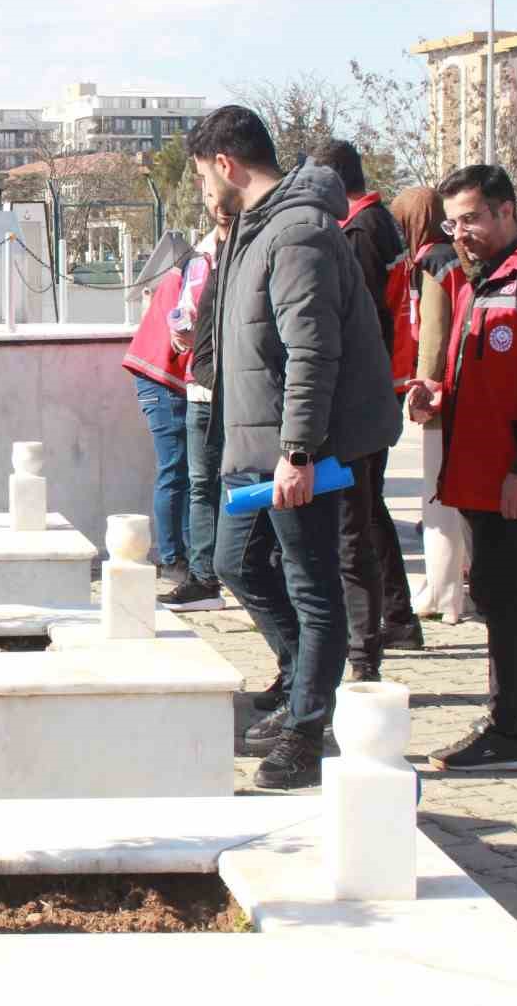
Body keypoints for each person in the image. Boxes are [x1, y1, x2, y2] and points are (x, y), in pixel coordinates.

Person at [190, 106, 400, 789]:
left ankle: (307, 734)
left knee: (313, 587)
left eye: (202, 176)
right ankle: (302, 679)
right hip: (253, 442)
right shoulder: (254, 228)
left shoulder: (298, 230)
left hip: (300, 448)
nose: (203, 191)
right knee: (235, 561)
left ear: (226, 164)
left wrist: (300, 451)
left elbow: (312, 351)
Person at [406, 164, 517, 770]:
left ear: (506, 211)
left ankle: (505, 731)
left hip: (510, 472)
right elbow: (478, 372)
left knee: (497, 589)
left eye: (471, 220)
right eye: (452, 224)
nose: (460, 234)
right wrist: (435, 394)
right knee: (501, 586)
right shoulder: (477, 279)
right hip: (476, 470)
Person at [310, 139, 423, 680]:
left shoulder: (358, 232)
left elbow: (357, 320)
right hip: (381, 385)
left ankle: (373, 640)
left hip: (365, 393)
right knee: (370, 513)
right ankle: (397, 618)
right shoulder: (379, 222)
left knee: (356, 524)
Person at [390, 187, 470, 625]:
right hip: (465, 388)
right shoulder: (456, 255)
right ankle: (460, 585)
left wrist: (421, 391)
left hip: (442, 394)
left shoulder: (432, 262)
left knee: (438, 502)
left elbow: (434, 335)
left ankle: (442, 592)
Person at [159, 187, 233, 615]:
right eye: (212, 202)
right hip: (201, 388)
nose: (219, 210)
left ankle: (253, 572)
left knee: (243, 482)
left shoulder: (257, 251)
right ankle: (204, 577)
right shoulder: (201, 259)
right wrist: (181, 333)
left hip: (243, 390)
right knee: (201, 484)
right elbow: (184, 313)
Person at [122, 240, 192, 585]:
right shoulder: (201, 269)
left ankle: (184, 557)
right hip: (162, 377)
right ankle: (173, 558)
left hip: (160, 375)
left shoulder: (194, 265)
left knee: (185, 471)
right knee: (177, 469)